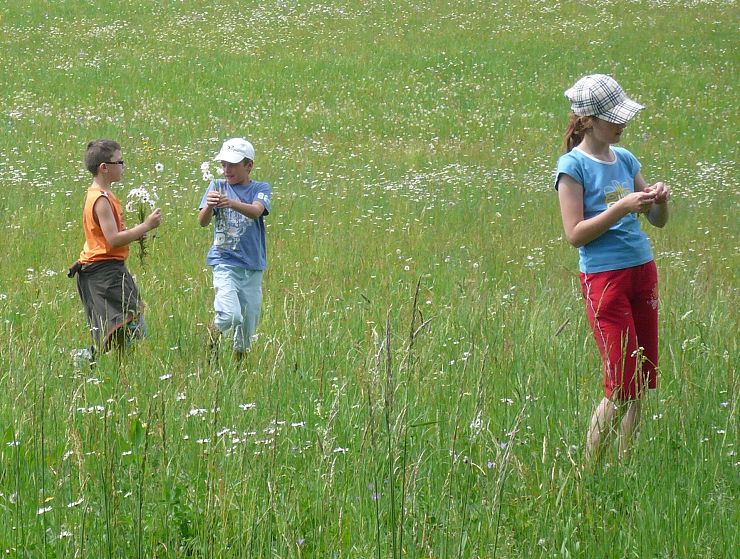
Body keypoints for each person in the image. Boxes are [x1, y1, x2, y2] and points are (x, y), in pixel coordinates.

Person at [554, 75, 670, 462]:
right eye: (614, 118)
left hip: (642, 270)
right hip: (605, 280)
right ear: (588, 120)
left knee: (640, 377)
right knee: (620, 385)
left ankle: (625, 466)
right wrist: (621, 207)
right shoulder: (572, 167)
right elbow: (575, 234)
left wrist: (659, 200)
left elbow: (657, 221)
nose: (623, 123)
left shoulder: (625, 159)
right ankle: (588, 473)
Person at [69, 139, 161, 357]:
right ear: (104, 167)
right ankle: (82, 359)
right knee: (131, 329)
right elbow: (113, 240)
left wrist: (135, 233)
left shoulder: (104, 195)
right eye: (119, 161)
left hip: (106, 270)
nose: (123, 166)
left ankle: (96, 362)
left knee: (121, 332)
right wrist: (145, 226)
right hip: (105, 273)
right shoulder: (100, 200)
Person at [197, 138, 272, 359]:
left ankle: (239, 368)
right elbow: (202, 221)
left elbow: (256, 211)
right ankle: (212, 340)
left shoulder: (260, 188)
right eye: (223, 164)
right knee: (230, 315)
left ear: (249, 165)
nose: (226, 170)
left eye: (233, 165)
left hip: (252, 266)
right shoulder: (216, 186)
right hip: (225, 262)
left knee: (247, 326)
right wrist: (209, 205)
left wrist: (230, 203)